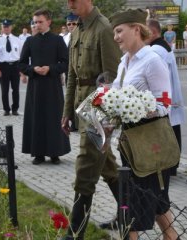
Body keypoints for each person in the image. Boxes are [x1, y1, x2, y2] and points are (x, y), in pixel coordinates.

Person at [110, 9, 179, 240]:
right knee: (151, 200)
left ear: (136, 29)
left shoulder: (152, 61)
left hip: (150, 143)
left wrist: (140, 109)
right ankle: (172, 236)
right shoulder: (124, 61)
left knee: (141, 201)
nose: (116, 37)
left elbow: (165, 104)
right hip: (130, 141)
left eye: (119, 31)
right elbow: (117, 96)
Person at [61, 0, 121, 238]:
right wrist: (67, 111)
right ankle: (132, 211)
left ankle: (75, 232)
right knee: (107, 166)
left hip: (98, 109)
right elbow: (72, 77)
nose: (70, 3)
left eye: (74, 0)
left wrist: (103, 120)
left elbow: (111, 77)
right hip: (81, 107)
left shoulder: (104, 28)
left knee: (86, 166)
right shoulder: (77, 30)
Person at [19, 9, 71, 165]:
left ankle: (55, 153)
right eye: (35, 22)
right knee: (37, 118)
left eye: (40, 21)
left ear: (49, 22)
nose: (37, 25)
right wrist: (32, 70)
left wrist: (50, 69)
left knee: (54, 117)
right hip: (35, 86)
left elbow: (66, 63)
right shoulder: (30, 41)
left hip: (52, 86)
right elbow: (21, 64)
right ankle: (38, 153)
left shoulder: (57, 41)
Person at [147, 19, 185, 176]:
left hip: (164, 96)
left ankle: (168, 166)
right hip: (169, 95)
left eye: (145, 31)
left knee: (166, 131)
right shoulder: (161, 46)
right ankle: (172, 165)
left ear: (154, 32)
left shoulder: (156, 50)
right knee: (172, 129)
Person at [0, 19, 22, 116]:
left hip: (15, 65)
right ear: (2, 28)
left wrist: (21, 69)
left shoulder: (17, 40)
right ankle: (6, 109)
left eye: (8, 26)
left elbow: (22, 55)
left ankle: (15, 109)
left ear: (11, 27)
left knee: (16, 89)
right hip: (4, 66)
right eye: (4, 27)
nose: (6, 28)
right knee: (5, 90)